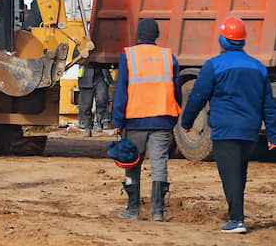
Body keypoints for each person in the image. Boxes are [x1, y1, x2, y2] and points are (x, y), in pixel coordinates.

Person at [181, 16, 276, 234]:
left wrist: (186, 123)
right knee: (238, 172)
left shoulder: (214, 65)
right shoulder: (258, 68)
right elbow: (268, 105)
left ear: (222, 40)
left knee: (230, 174)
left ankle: (237, 220)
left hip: (225, 130)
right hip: (250, 131)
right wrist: (272, 135)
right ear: (242, 41)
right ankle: (236, 215)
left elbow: (197, 97)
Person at [112, 18, 181, 222]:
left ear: (138, 35)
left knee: (131, 162)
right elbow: (176, 90)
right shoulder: (168, 57)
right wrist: (174, 114)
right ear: (156, 35)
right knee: (160, 164)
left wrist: (117, 121)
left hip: (135, 120)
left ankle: (133, 210)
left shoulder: (129, 56)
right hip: (161, 119)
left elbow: (121, 92)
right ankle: (157, 212)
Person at [77, 64, 112, 136]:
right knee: (86, 106)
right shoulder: (79, 51)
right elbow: (76, 57)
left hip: (101, 77)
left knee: (102, 100)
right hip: (86, 78)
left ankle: (98, 123)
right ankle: (88, 128)